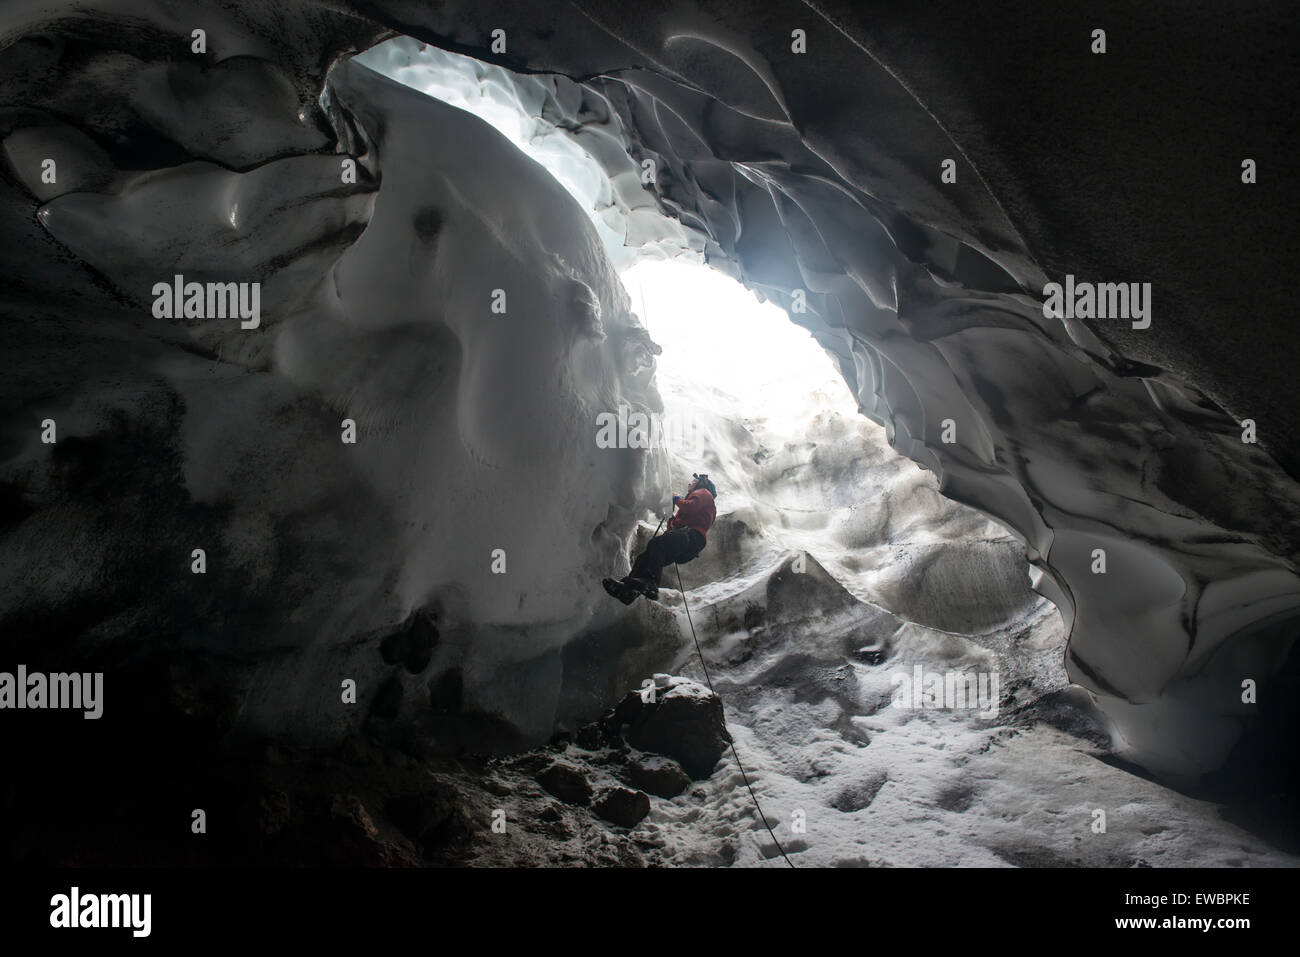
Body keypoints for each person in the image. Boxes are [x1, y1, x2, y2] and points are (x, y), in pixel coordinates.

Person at [603, 472, 718, 603]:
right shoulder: (700, 504)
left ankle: (651, 583)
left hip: (691, 535)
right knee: (646, 556)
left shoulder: (704, 493)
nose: (690, 483)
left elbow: (691, 507)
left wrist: (676, 499)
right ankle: (629, 590)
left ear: (702, 484)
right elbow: (681, 520)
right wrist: (671, 519)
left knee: (657, 544)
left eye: (693, 481)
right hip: (688, 541)